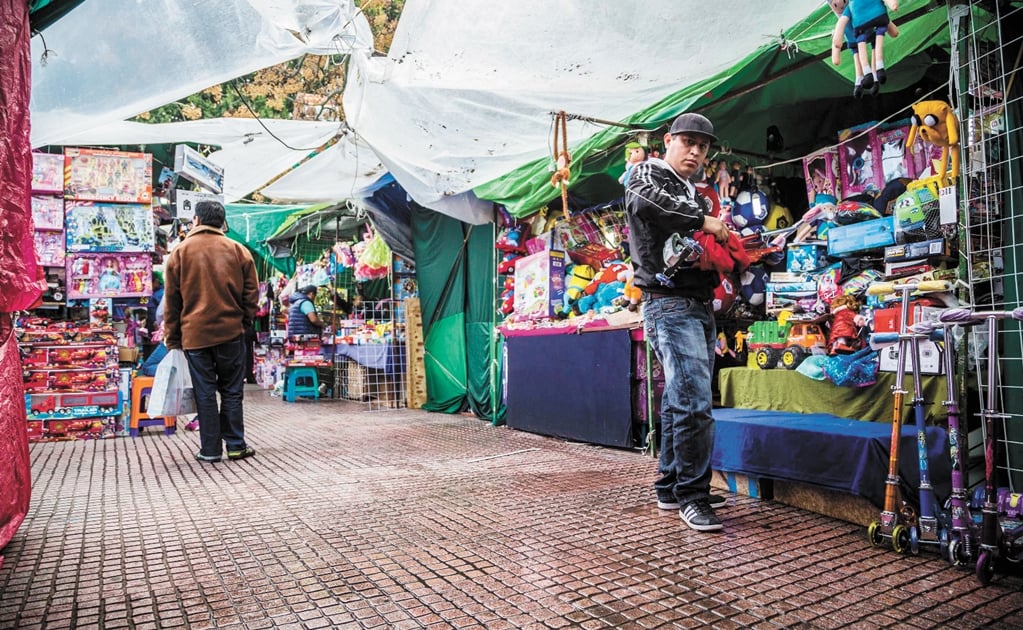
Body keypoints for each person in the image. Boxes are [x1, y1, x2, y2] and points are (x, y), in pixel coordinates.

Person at [624, 112, 732, 532]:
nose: (696, 151)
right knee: (693, 402)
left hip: (696, 303)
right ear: (667, 141)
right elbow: (646, 202)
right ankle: (693, 495)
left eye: (703, 146)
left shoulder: (692, 190)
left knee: (680, 398)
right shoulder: (644, 174)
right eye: (688, 141)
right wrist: (701, 219)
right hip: (668, 303)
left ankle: (671, 486)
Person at [163, 201, 259, 463]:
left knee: (205, 393)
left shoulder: (180, 253)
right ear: (222, 222)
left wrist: (173, 338)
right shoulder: (238, 251)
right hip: (231, 333)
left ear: (195, 220)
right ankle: (237, 445)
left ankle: (211, 450)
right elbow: (252, 295)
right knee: (231, 391)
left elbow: (172, 301)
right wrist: (243, 322)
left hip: (194, 337)